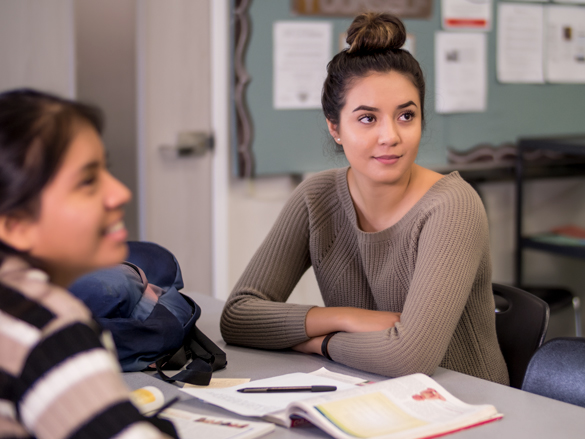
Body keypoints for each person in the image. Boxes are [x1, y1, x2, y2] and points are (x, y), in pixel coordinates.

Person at [220, 12, 509, 385]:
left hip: (466, 403)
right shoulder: (317, 197)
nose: (390, 136)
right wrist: (346, 317)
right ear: (335, 127)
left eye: (406, 115)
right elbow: (239, 316)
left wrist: (316, 344)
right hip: (367, 391)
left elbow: (410, 356)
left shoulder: (452, 206)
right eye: (367, 119)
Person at [0, 89, 177, 438]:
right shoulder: (45, 326)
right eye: (87, 181)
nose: (120, 192)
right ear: (15, 225)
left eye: (105, 169)